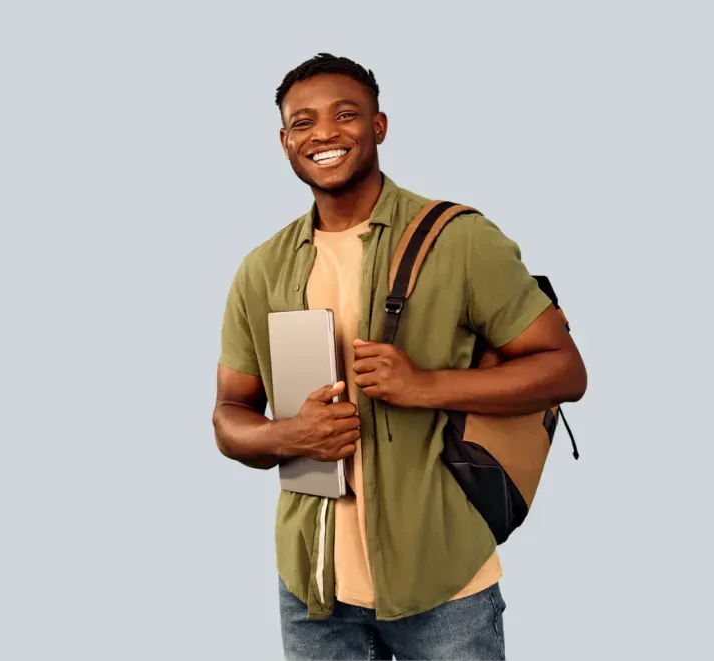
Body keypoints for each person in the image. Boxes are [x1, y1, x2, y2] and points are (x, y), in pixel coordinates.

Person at [213, 53, 587, 661]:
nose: (324, 133)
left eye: (345, 115)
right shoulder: (262, 270)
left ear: (379, 126)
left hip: (445, 586)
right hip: (313, 592)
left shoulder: (459, 240)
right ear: (284, 142)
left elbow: (566, 371)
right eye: (302, 123)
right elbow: (229, 414)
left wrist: (426, 386)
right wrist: (291, 434)